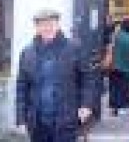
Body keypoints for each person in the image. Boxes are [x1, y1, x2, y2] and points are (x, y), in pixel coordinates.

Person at [15, 9, 96, 142]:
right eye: (43, 24)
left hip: (66, 120)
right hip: (37, 123)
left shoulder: (74, 48)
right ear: (37, 27)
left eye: (51, 24)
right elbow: (21, 88)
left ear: (58, 25)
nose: (48, 28)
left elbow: (88, 79)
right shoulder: (27, 53)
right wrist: (21, 119)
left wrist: (86, 105)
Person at [109, 17, 129, 116]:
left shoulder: (115, 35)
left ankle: (114, 108)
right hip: (126, 67)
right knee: (124, 87)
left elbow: (110, 48)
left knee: (114, 87)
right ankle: (123, 107)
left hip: (113, 66)